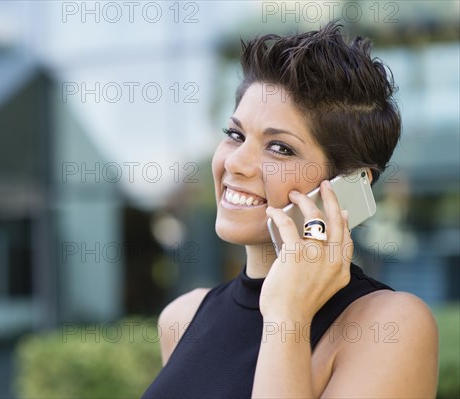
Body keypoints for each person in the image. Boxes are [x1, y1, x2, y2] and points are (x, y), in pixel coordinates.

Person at [142, 21, 439, 398]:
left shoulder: (389, 324)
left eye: (280, 148)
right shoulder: (182, 318)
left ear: (350, 183)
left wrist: (288, 318)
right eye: (235, 135)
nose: (236, 164)